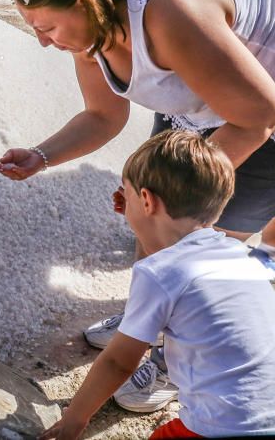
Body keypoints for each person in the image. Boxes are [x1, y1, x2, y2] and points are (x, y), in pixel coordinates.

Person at [0, 0, 275, 409]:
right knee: (152, 217)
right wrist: (42, 156)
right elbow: (104, 116)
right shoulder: (93, 22)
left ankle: (178, 356)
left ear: (83, 1)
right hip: (208, 96)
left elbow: (258, 117)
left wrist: (184, 205)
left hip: (263, 115)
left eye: (48, 28)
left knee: (200, 245)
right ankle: (147, 323)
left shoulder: (172, 14)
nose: (43, 41)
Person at [38, 130, 275, 440]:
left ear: (147, 200)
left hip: (225, 427)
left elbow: (118, 362)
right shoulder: (244, 261)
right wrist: (140, 215)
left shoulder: (160, 273)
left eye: (125, 194)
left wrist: (74, 421)